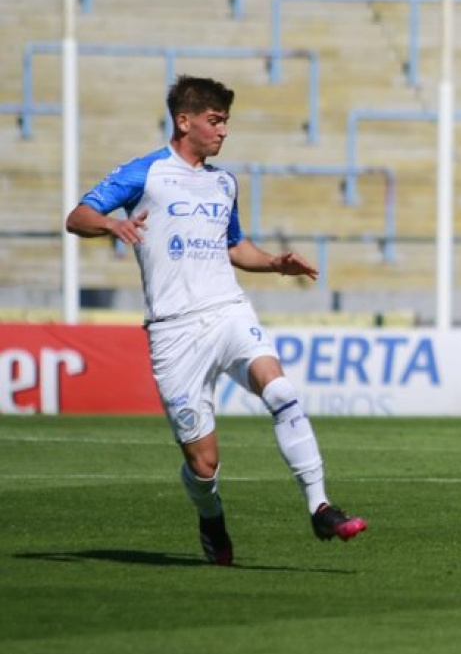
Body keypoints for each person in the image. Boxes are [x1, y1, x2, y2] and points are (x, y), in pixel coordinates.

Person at [66, 75, 367, 566]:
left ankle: (321, 506)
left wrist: (273, 263)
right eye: (214, 120)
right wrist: (112, 223)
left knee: (280, 390)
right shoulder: (145, 173)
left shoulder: (223, 181)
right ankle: (210, 517)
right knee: (204, 465)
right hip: (174, 330)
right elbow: (77, 216)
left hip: (227, 311)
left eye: (225, 121)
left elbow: (233, 247)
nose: (222, 131)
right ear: (184, 121)